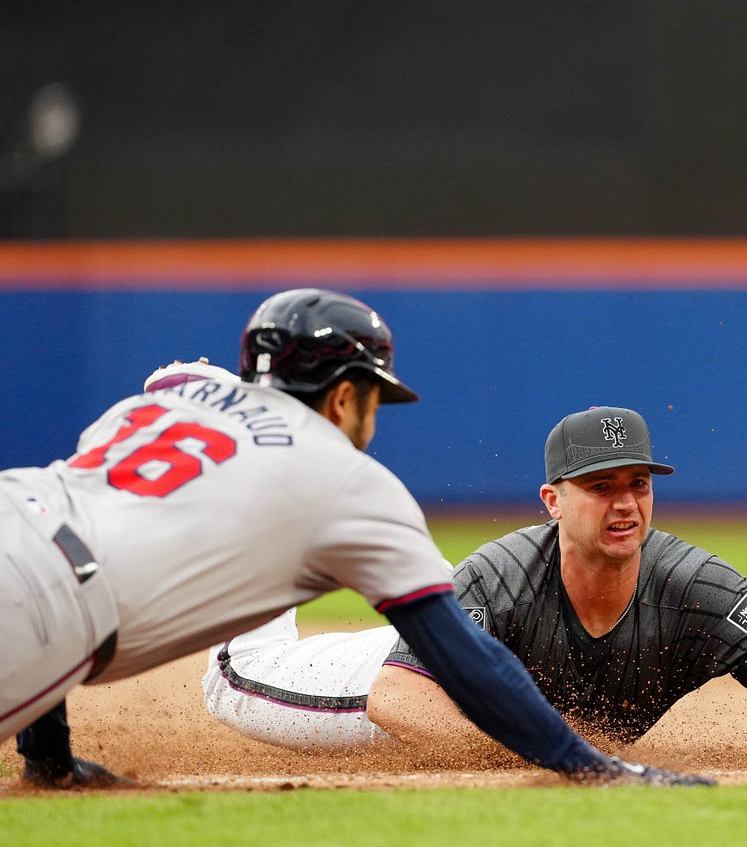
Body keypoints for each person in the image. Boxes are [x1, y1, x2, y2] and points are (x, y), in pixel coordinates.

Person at [1, 289, 710, 789]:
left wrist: (50, 760)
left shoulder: (160, 404)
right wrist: (589, 764)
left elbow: (52, 541)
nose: (374, 413)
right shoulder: (347, 480)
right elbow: (460, 653)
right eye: (374, 395)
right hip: (38, 601)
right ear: (344, 396)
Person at [201, 405, 747, 754]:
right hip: (395, 674)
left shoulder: (690, 583)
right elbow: (396, 700)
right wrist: (547, 752)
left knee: (465, 599)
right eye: (601, 486)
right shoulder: (501, 575)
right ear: (553, 500)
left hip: (466, 635)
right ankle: (240, 462)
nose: (625, 503)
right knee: (235, 674)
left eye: (638, 483)